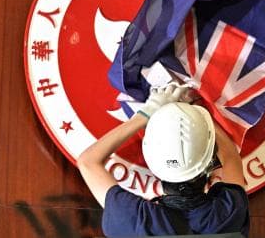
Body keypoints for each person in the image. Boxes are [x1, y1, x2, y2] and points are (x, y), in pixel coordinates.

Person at [77, 83, 250, 237]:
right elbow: (230, 156)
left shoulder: (134, 221)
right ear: (208, 163)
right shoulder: (229, 213)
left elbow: (88, 161)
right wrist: (195, 111)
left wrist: (145, 114)